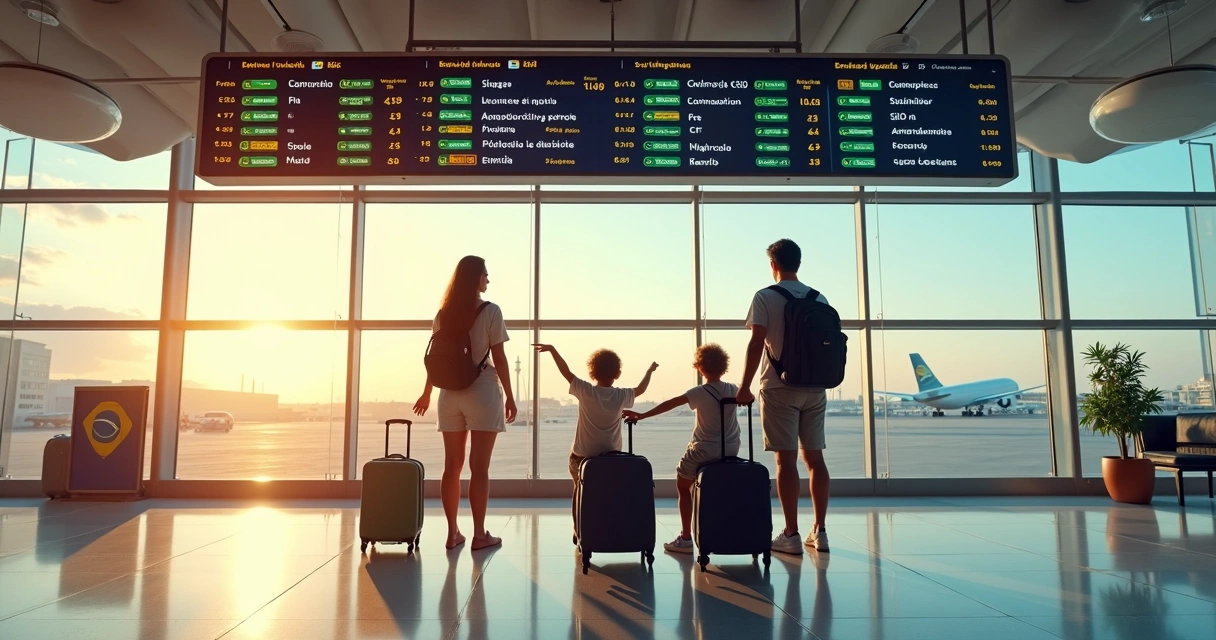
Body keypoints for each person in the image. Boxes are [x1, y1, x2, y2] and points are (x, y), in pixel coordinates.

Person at [413, 256, 516, 551]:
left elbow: (439, 360)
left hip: (448, 395)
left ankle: (452, 533)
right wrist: (509, 395)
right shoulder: (491, 311)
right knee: (479, 467)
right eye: (485, 274)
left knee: (452, 467)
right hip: (482, 389)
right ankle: (480, 535)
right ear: (475, 279)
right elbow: (499, 357)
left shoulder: (443, 314)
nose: (488, 279)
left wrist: (427, 392)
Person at [736, 239, 831, 555]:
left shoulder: (765, 297)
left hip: (779, 388)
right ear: (799, 263)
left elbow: (755, 344)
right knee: (815, 459)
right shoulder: (820, 298)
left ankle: (790, 533)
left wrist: (744, 385)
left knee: (785, 460)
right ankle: (820, 530)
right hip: (816, 388)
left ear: (773, 264)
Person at [623, 343, 739, 554]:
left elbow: (670, 404)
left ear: (699, 366)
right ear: (724, 366)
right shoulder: (733, 389)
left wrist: (641, 415)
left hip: (705, 449)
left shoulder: (700, 392)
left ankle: (686, 538)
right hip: (731, 449)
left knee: (683, 485)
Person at [534, 343, 657, 535]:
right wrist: (650, 371)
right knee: (605, 493)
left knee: (579, 492)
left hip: (582, 458)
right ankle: (604, 528)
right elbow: (640, 389)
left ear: (592, 372)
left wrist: (553, 350)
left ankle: (579, 531)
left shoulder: (585, 391)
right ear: (617, 373)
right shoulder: (621, 395)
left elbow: (565, 371)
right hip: (611, 458)